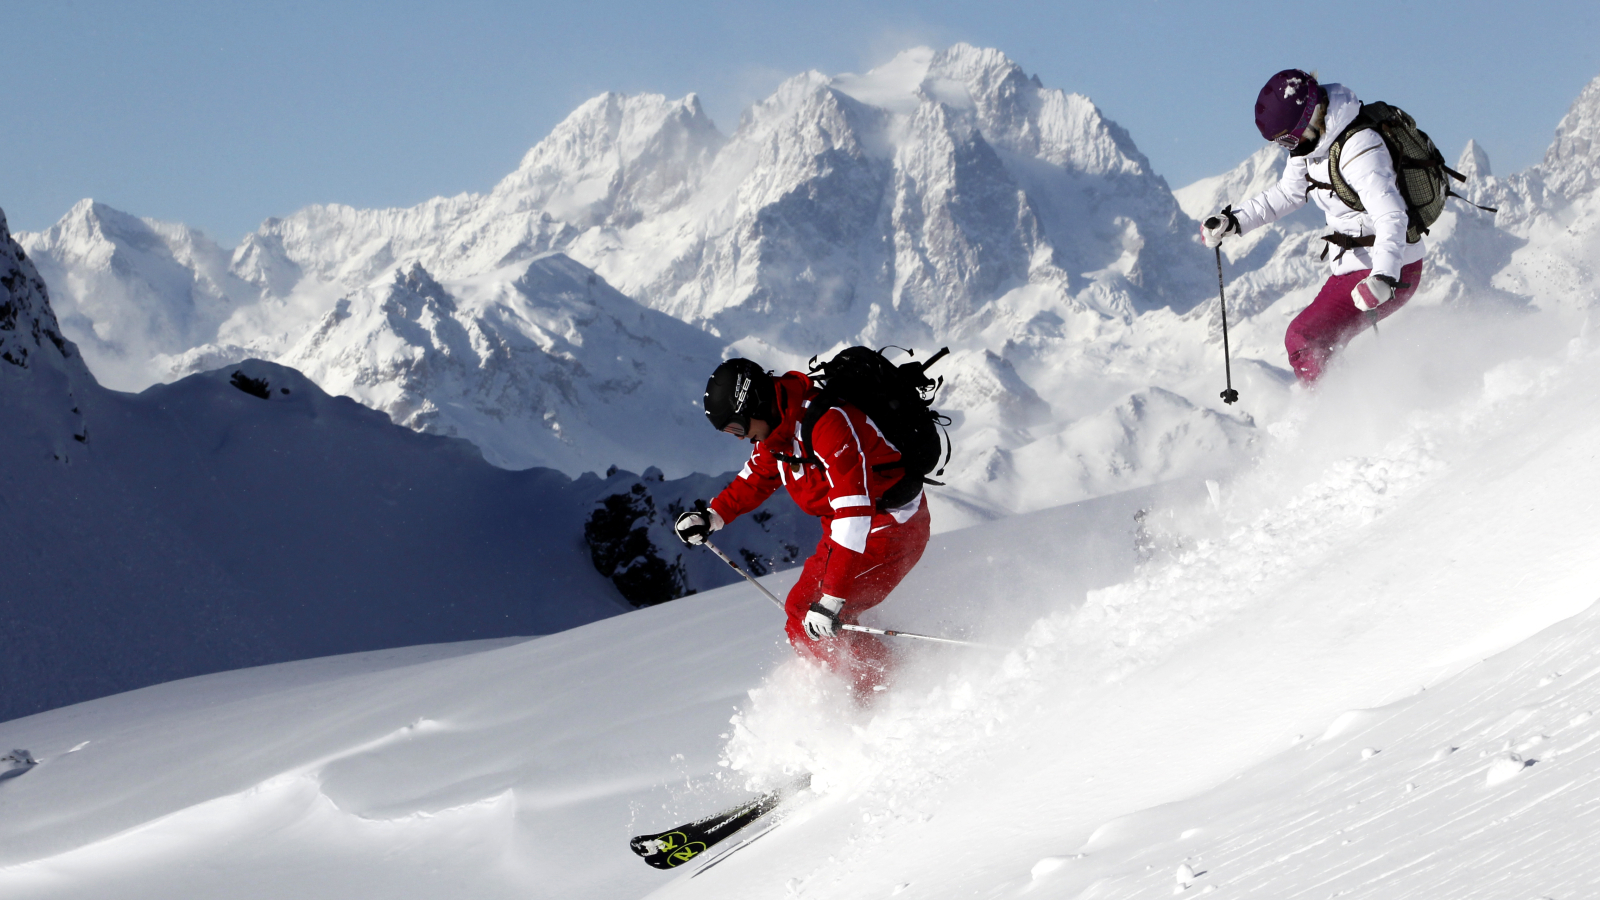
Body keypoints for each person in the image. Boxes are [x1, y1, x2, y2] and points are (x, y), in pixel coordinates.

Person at [673, 358, 931, 697]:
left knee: (814, 615)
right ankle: (886, 675)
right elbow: (758, 475)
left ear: (753, 404)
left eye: (737, 428)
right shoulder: (778, 429)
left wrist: (832, 598)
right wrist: (712, 516)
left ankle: (890, 691)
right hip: (846, 528)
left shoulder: (826, 424)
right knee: (803, 613)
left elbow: (855, 512)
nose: (739, 438)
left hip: (889, 525)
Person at [1201, 69, 1426, 383]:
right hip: (1355, 266)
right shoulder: (1311, 145)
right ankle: (1354, 405)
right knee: (1319, 341)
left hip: (1390, 269)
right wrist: (1235, 221)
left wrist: (1384, 276)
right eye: (1281, 142)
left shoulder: (1360, 149)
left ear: (1310, 116)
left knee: (1304, 337)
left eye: (1289, 138)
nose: (1288, 147)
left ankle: (1333, 412)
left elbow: (1391, 216)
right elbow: (1288, 193)